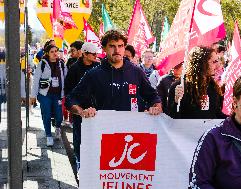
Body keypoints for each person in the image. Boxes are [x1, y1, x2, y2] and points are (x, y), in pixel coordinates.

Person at [65, 29, 162, 119]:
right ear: (104, 48)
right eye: (112, 46)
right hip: (105, 130)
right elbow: (70, 100)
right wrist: (82, 112)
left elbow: (153, 97)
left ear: (124, 47)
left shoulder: (137, 72)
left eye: (120, 46)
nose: (117, 50)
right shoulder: (93, 74)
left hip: (133, 130)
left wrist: (156, 107)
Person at [64, 42, 101, 172]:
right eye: (93, 54)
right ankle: (79, 159)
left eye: (97, 53)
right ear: (84, 54)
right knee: (79, 136)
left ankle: (94, 161)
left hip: (96, 109)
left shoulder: (98, 66)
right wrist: (75, 107)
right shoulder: (74, 69)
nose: (96, 56)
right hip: (79, 109)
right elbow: (68, 91)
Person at [168, 46, 225, 119]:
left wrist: (235, 119)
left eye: (217, 61)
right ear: (202, 64)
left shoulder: (212, 86)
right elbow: (171, 119)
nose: (217, 66)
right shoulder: (180, 86)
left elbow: (217, 114)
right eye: (214, 62)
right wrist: (176, 102)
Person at [30, 45, 67, 147]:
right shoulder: (42, 63)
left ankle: (58, 128)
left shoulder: (62, 64)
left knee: (59, 116)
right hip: (45, 94)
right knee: (46, 114)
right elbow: (36, 80)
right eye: (52, 52)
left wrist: (66, 93)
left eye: (56, 51)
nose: (55, 53)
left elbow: (66, 78)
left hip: (58, 95)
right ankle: (48, 135)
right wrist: (33, 96)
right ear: (47, 53)